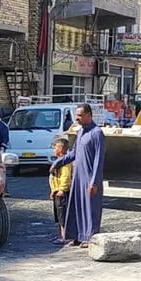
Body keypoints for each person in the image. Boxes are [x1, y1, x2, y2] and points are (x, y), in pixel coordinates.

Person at [50, 103, 105, 247]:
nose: (77, 118)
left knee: (90, 208)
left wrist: (94, 182)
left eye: (80, 115)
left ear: (89, 115)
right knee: (76, 206)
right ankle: (76, 236)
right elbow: (74, 153)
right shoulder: (80, 132)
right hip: (78, 178)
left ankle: (90, 237)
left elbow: (99, 159)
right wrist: (59, 162)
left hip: (89, 178)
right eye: (76, 115)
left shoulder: (96, 133)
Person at [49, 138, 74, 245]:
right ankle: (61, 235)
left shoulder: (65, 162)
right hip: (56, 191)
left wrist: (62, 189)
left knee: (63, 215)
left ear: (60, 149)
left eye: (55, 147)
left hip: (61, 192)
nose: (54, 150)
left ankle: (65, 236)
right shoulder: (58, 161)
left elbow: (65, 176)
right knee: (58, 215)